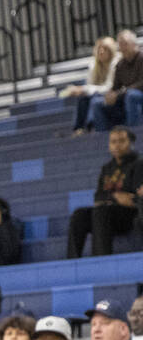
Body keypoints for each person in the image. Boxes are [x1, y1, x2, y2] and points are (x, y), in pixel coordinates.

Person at [66, 126, 140, 258]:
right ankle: (72, 261)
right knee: (79, 215)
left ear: (131, 143)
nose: (117, 145)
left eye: (122, 141)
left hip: (130, 216)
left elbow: (136, 199)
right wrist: (115, 197)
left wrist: (112, 198)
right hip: (107, 213)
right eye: (113, 141)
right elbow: (98, 197)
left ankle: (101, 259)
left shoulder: (139, 164)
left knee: (101, 211)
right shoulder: (106, 168)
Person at [61, 36, 119, 134]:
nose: (101, 51)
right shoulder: (94, 65)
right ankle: (78, 128)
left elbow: (109, 87)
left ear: (111, 50)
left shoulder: (116, 63)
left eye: (104, 49)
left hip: (113, 95)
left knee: (94, 97)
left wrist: (84, 89)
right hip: (98, 94)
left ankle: (90, 125)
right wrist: (83, 90)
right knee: (82, 97)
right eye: (99, 48)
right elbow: (89, 86)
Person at [88, 30, 143, 132]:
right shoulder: (120, 65)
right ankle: (102, 138)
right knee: (97, 103)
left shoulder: (141, 58)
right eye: (120, 45)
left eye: (125, 44)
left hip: (138, 96)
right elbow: (115, 88)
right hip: (124, 97)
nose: (122, 48)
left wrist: (120, 93)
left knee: (131, 95)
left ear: (134, 44)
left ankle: (133, 133)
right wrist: (110, 95)